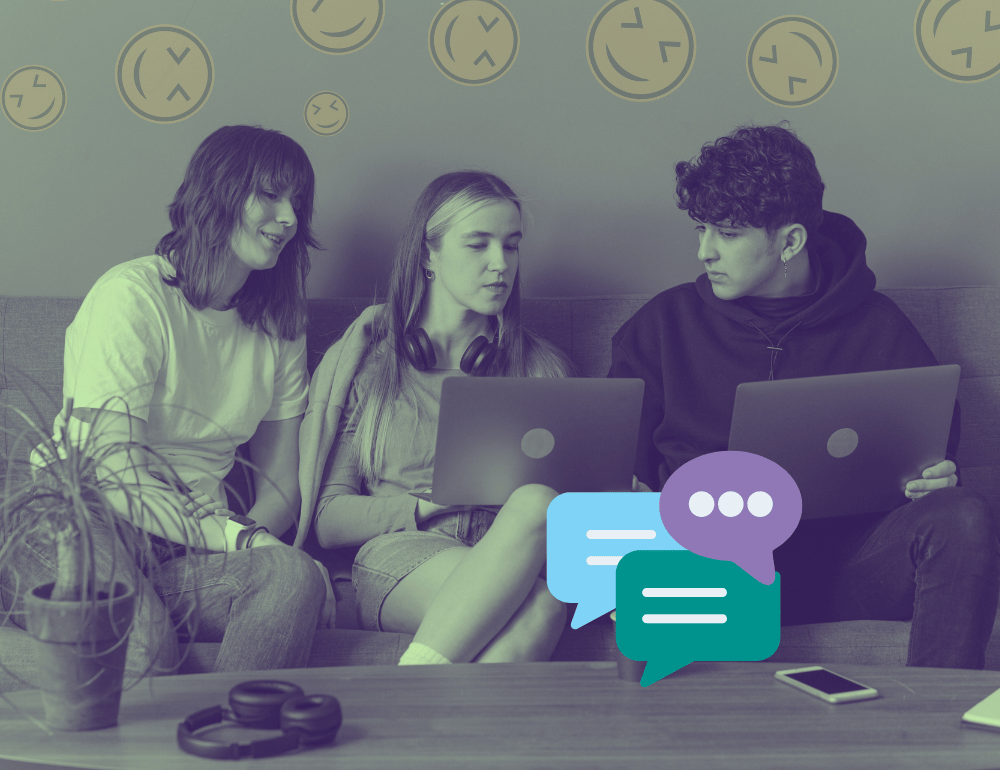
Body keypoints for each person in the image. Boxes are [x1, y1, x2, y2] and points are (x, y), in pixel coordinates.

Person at [608, 124, 999, 668]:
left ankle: (931, 729)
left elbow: (932, 457)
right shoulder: (662, 327)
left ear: (790, 241)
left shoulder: (880, 327)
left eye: (727, 233)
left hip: (846, 567)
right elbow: (615, 474)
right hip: (717, 567)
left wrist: (935, 478)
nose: (703, 251)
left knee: (963, 515)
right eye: (700, 229)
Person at [1, 125, 332, 684]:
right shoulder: (132, 298)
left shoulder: (281, 325)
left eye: (297, 203)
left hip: (184, 546)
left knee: (293, 576)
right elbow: (114, 469)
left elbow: (281, 482)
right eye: (271, 196)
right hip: (78, 518)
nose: (290, 219)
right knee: (146, 647)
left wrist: (245, 541)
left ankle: (231, 745)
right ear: (219, 191)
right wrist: (239, 538)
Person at [294, 171, 572, 665]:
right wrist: (430, 502)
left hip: (516, 557)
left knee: (548, 596)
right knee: (534, 516)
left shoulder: (542, 367)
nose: (499, 265)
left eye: (511, 246)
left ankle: (423, 713)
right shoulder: (371, 364)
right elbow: (329, 519)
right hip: (400, 556)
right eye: (477, 245)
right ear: (428, 254)